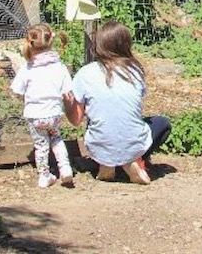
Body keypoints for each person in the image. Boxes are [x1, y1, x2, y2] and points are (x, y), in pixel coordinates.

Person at [64, 20, 171, 184]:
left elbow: (76, 120)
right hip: (132, 140)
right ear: (126, 45)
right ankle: (133, 161)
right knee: (162, 123)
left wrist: (67, 103)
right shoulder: (135, 70)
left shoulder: (86, 73)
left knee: (97, 118)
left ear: (98, 45)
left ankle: (106, 163)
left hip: (99, 143)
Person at [10, 23, 74, 188]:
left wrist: (22, 97)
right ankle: (65, 168)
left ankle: (44, 175)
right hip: (54, 114)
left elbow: (16, 90)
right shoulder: (59, 66)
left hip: (35, 116)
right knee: (57, 139)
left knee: (41, 145)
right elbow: (68, 90)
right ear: (51, 41)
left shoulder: (27, 68)